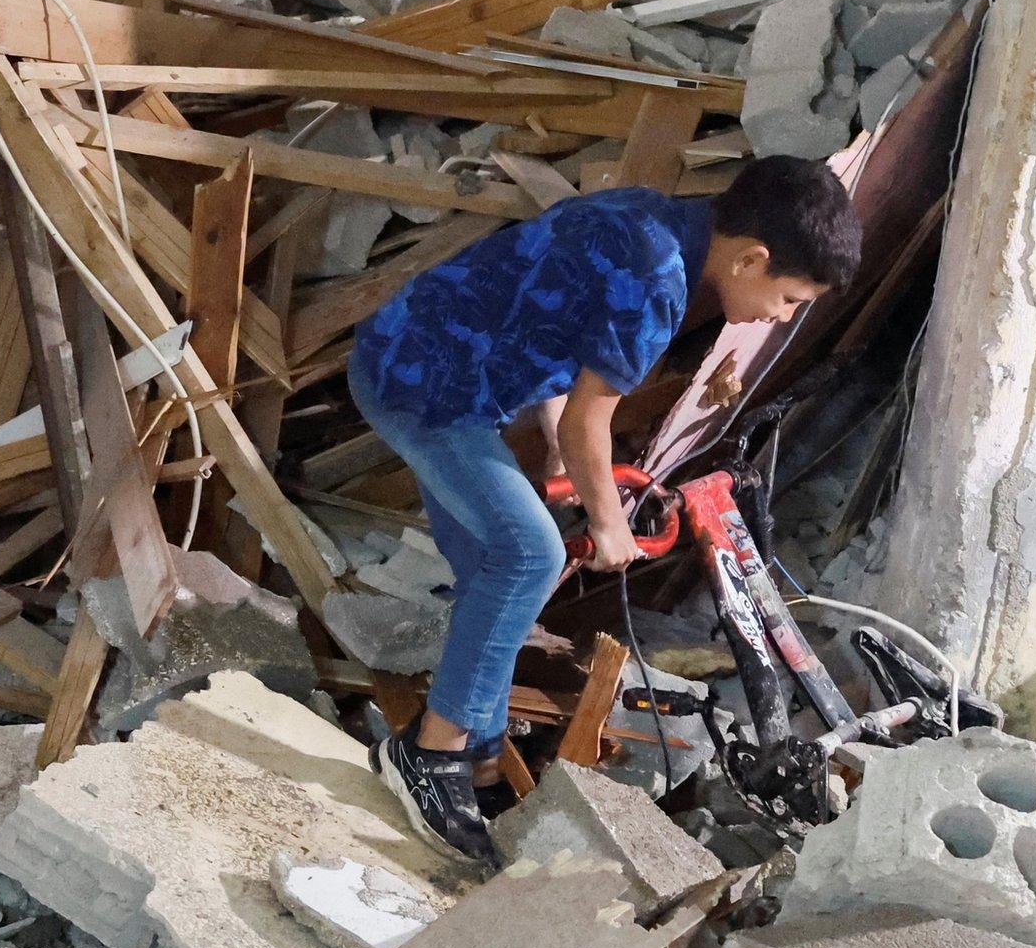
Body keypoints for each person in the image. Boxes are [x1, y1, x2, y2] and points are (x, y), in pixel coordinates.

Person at [349, 155, 862, 863]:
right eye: (791, 300)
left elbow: (545, 315)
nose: (781, 318)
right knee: (533, 556)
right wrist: (609, 525)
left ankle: (482, 756)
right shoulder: (659, 284)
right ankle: (429, 755)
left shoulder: (646, 216)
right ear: (752, 259)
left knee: (489, 571)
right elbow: (589, 422)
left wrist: (561, 456)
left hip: (405, 352)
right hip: (426, 394)